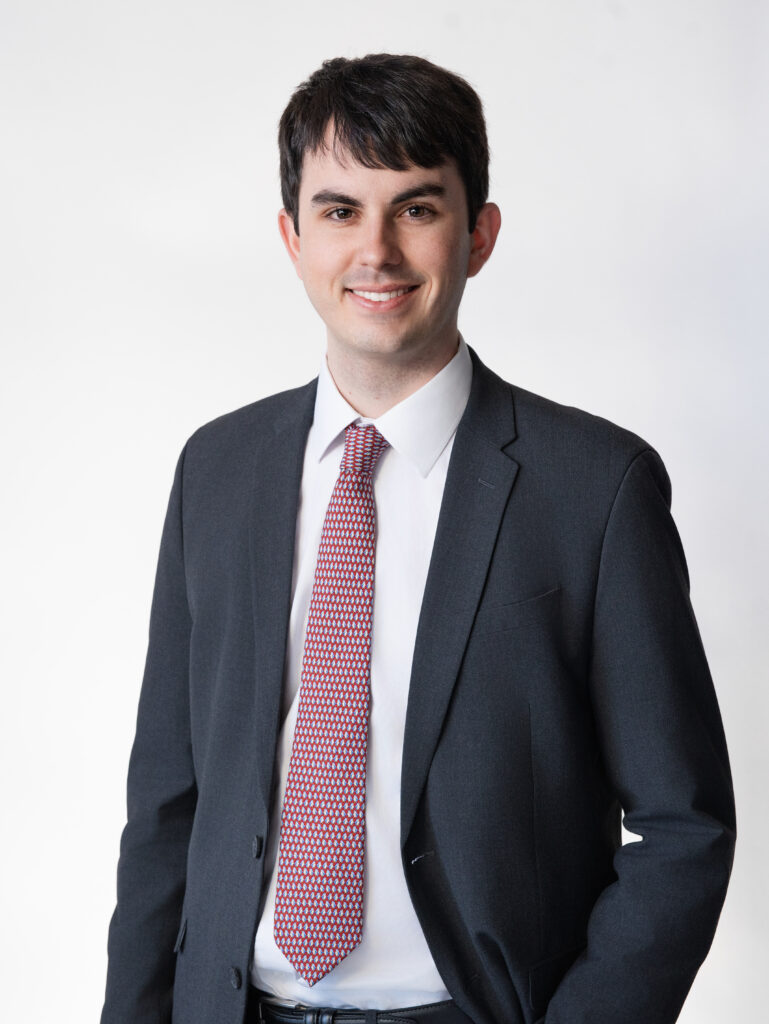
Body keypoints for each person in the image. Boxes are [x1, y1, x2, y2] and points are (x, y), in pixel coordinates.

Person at [101, 54, 735, 1024]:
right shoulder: (216, 471)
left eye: (417, 207)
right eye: (340, 210)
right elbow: (166, 806)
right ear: (291, 235)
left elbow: (682, 824)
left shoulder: (593, 489)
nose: (377, 252)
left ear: (478, 234)